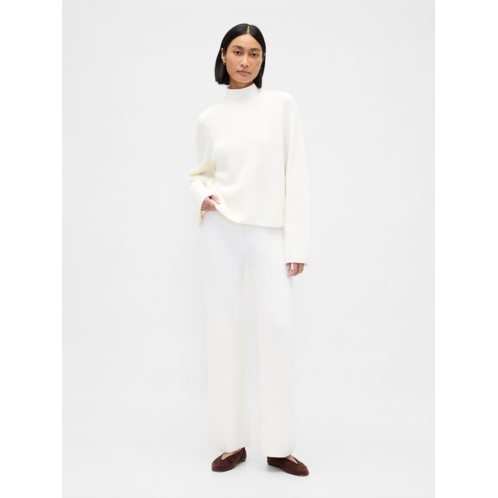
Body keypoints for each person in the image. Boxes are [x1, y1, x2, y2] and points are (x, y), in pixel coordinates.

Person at [186, 23, 311, 477]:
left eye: (254, 53)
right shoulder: (209, 118)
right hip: (221, 229)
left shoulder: (281, 106)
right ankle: (231, 443)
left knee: (278, 328)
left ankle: (278, 447)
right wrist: (202, 195)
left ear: (262, 59)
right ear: (223, 55)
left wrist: (297, 242)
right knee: (223, 329)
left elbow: (296, 172)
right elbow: (200, 172)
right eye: (237, 51)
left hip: (268, 233)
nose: (245, 61)